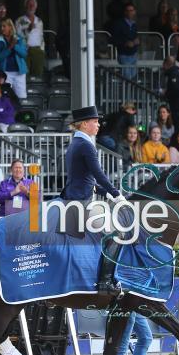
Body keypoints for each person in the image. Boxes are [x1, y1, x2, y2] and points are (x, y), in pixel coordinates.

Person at [61, 106, 123, 295]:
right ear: (85, 124)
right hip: (81, 204)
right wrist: (116, 194)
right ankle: (105, 282)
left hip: (74, 199)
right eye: (95, 122)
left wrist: (106, 193)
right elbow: (98, 174)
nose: (98, 125)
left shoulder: (75, 144)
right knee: (116, 234)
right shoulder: (86, 145)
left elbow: (87, 180)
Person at [0, 19, 28, 99]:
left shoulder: (19, 38)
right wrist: (9, 47)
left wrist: (15, 46)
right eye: (1, 26)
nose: (2, 28)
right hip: (5, 72)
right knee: (5, 96)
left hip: (19, 73)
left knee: (21, 97)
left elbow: (24, 54)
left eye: (4, 26)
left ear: (10, 27)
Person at [15, 0, 45, 77]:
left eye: (33, 5)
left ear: (36, 7)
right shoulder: (19, 20)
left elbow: (41, 36)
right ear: (26, 7)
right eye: (29, 5)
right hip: (25, 50)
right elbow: (17, 36)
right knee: (25, 75)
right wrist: (28, 30)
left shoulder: (39, 21)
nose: (31, 7)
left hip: (38, 50)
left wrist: (42, 50)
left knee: (38, 75)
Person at [110, 3, 139, 79]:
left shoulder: (134, 24)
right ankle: (126, 91)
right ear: (125, 12)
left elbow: (135, 37)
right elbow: (113, 39)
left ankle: (131, 91)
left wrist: (137, 41)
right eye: (127, 10)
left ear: (134, 12)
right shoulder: (118, 23)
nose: (129, 12)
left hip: (134, 54)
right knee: (127, 78)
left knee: (133, 78)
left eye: (131, 10)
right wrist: (125, 43)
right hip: (124, 55)